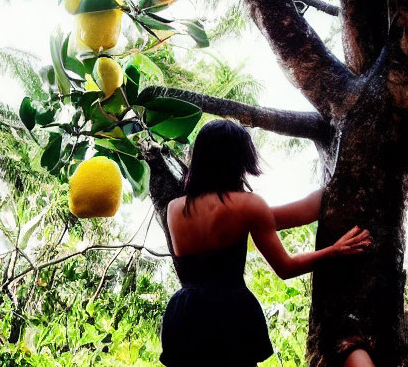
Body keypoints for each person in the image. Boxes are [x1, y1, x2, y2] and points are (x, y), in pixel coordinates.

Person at [159, 118, 373, 367]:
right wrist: (336, 251)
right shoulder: (248, 205)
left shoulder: (175, 209)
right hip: (230, 313)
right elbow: (286, 267)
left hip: (185, 314)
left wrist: (327, 195)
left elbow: (290, 214)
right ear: (239, 158)